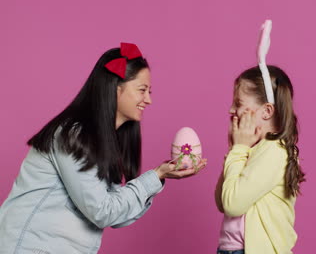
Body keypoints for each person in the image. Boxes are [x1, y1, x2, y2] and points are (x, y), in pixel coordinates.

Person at [0, 42, 206, 254]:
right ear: (116, 89)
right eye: (142, 90)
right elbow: (102, 211)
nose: (149, 100)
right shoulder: (74, 136)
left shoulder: (105, 142)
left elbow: (115, 214)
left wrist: (160, 177)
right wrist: (155, 175)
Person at [215, 65, 306, 253]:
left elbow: (232, 204)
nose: (231, 109)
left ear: (266, 111)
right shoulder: (252, 149)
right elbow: (221, 202)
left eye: (238, 103)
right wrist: (236, 150)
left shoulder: (275, 152)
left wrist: (239, 148)